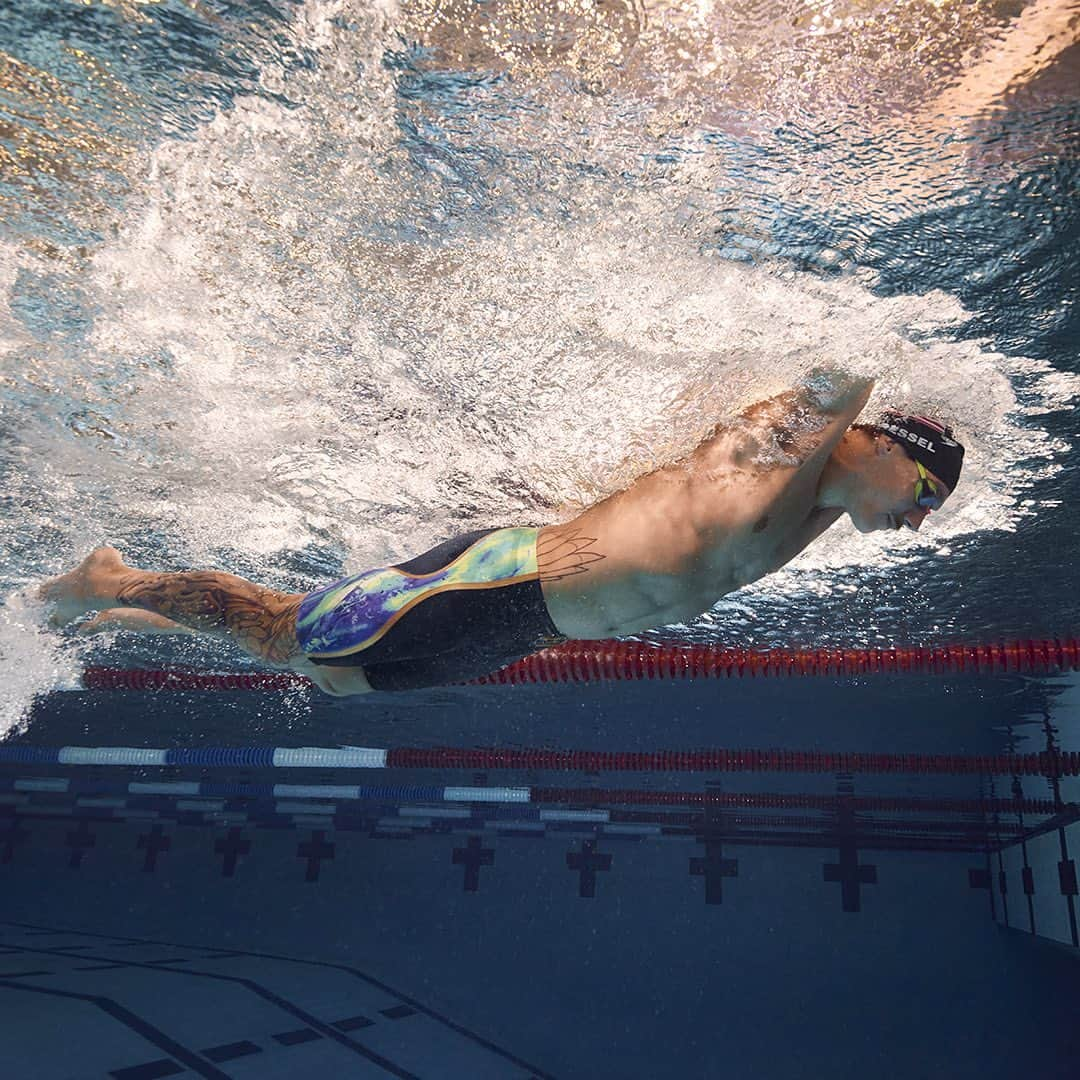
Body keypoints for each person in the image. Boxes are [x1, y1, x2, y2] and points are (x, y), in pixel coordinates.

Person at [40, 374, 964, 696]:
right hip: (500, 585)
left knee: (327, 675)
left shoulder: (818, 513)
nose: (919, 521)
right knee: (290, 631)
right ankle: (112, 579)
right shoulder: (777, 457)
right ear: (888, 444)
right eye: (926, 493)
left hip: (526, 632)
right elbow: (845, 369)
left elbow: (859, 469)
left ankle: (131, 617)